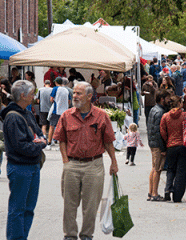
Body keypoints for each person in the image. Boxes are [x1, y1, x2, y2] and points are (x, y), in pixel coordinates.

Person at [53, 82, 118, 240]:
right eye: (74, 93)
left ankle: (87, 235)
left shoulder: (101, 116)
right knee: (70, 204)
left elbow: (108, 141)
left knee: (91, 206)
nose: (74, 96)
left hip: (94, 165)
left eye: (78, 93)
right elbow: (61, 139)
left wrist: (114, 162)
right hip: (72, 164)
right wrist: (65, 161)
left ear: (89, 96)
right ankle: (70, 235)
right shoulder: (66, 115)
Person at [1, 80, 46, 240]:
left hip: (32, 166)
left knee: (28, 208)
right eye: (32, 93)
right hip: (20, 167)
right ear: (23, 95)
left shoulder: (25, 112)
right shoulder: (13, 117)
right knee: (18, 209)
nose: (34, 96)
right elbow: (21, 146)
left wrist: (39, 140)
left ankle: (22, 237)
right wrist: (39, 144)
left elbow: (39, 133)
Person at [160, 96, 186, 202]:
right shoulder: (185, 115)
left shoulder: (165, 116)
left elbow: (162, 132)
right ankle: (177, 195)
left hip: (171, 146)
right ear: (179, 103)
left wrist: (168, 141)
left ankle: (167, 189)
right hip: (183, 146)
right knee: (181, 171)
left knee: (171, 169)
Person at [147, 89, 171, 201]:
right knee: (157, 169)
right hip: (157, 144)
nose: (169, 100)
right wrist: (162, 148)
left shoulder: (153, 109)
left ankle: (151, 192)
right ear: (162, 99)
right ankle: (154, 193)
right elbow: (159, 132)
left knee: (154, 168)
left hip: (153, 143)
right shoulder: (160, 112)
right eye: (167, 98)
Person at [46, 77, 71, 150]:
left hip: (56, 111)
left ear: (56, 82)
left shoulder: (55, 88)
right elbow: (69, 101)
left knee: (51, 126)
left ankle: (49, 143)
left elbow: (51, 99)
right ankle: (62, 144)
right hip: (65, 111)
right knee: (63, 128)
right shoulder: (66, 90)